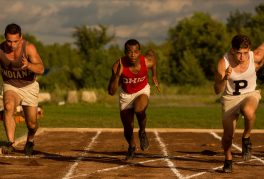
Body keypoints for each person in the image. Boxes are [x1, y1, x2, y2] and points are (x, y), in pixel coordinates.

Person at [214, 34, 264, 173]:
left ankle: (246, 138)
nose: (242, 57)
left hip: (250, 94)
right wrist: (224, 78)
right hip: (230, 98)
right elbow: (217, 90)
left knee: (249, 111)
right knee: (228, 135)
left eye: (245, 53)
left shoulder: (256, 56)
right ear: (232, 50)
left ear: (249, 50)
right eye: (239, 53)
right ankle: (228, 159)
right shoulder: (223, 63)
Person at [108, 39, 160, 160]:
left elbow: (154, 60)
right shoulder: (117, 66)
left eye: (136, 52)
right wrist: (117, 76)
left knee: (139, 108)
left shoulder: (147, 62)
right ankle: (131, 146)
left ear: (139, 52)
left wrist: (154, 75)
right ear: (125, 52)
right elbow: (111, 91)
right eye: (129, 52)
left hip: (142, 90)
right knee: (128, 127)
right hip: (126, 95)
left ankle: (142, 132)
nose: (133, 55)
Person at [0, 23, 44, 155]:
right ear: (4, 38)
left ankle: (30, 140)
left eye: (15, 41)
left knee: (31, 124)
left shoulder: (28, 48)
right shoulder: (1, 50)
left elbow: (41, 69)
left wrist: (29, 65)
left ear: (21, 38)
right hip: (11, 85)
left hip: (29, 87)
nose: (12, 45)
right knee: (8, 106)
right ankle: (11, 143)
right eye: (9, 41)